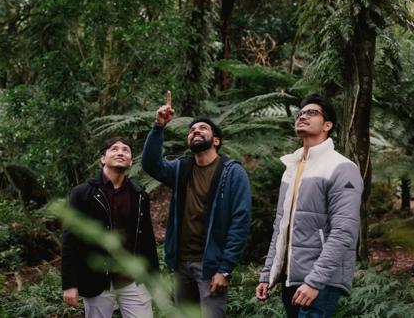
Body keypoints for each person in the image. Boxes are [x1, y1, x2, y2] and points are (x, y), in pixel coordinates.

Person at [141, 90, 252, 318]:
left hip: (210, 265)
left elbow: (240, 222)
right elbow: (151, 165)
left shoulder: (232, 173)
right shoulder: (182, 168)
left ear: (216, 140)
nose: (195, 132)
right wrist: (158, 127)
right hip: (181, 264)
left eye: (203, 128)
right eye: (191, 130)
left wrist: (225, 268)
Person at [256, 94, 363, 318]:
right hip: (290, 278)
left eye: (311, 113)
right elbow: (280, 227)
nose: (302, 116)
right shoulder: (292, 167)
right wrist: (268, 274)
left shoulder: (341, 167)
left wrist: (315, 281)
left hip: (319, 282)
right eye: (300, 113)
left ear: (327, 125)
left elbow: (345, 231)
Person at [61, 137, 159, 318]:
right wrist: (69, 283)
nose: (121, 152)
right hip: (96, 279)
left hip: (133, 279)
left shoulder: (139, 195)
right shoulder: (82, 193)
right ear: (103, 158)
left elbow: (146, 239)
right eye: (114, 149)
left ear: (131, 160)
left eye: (126, 150)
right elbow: (70, 239)